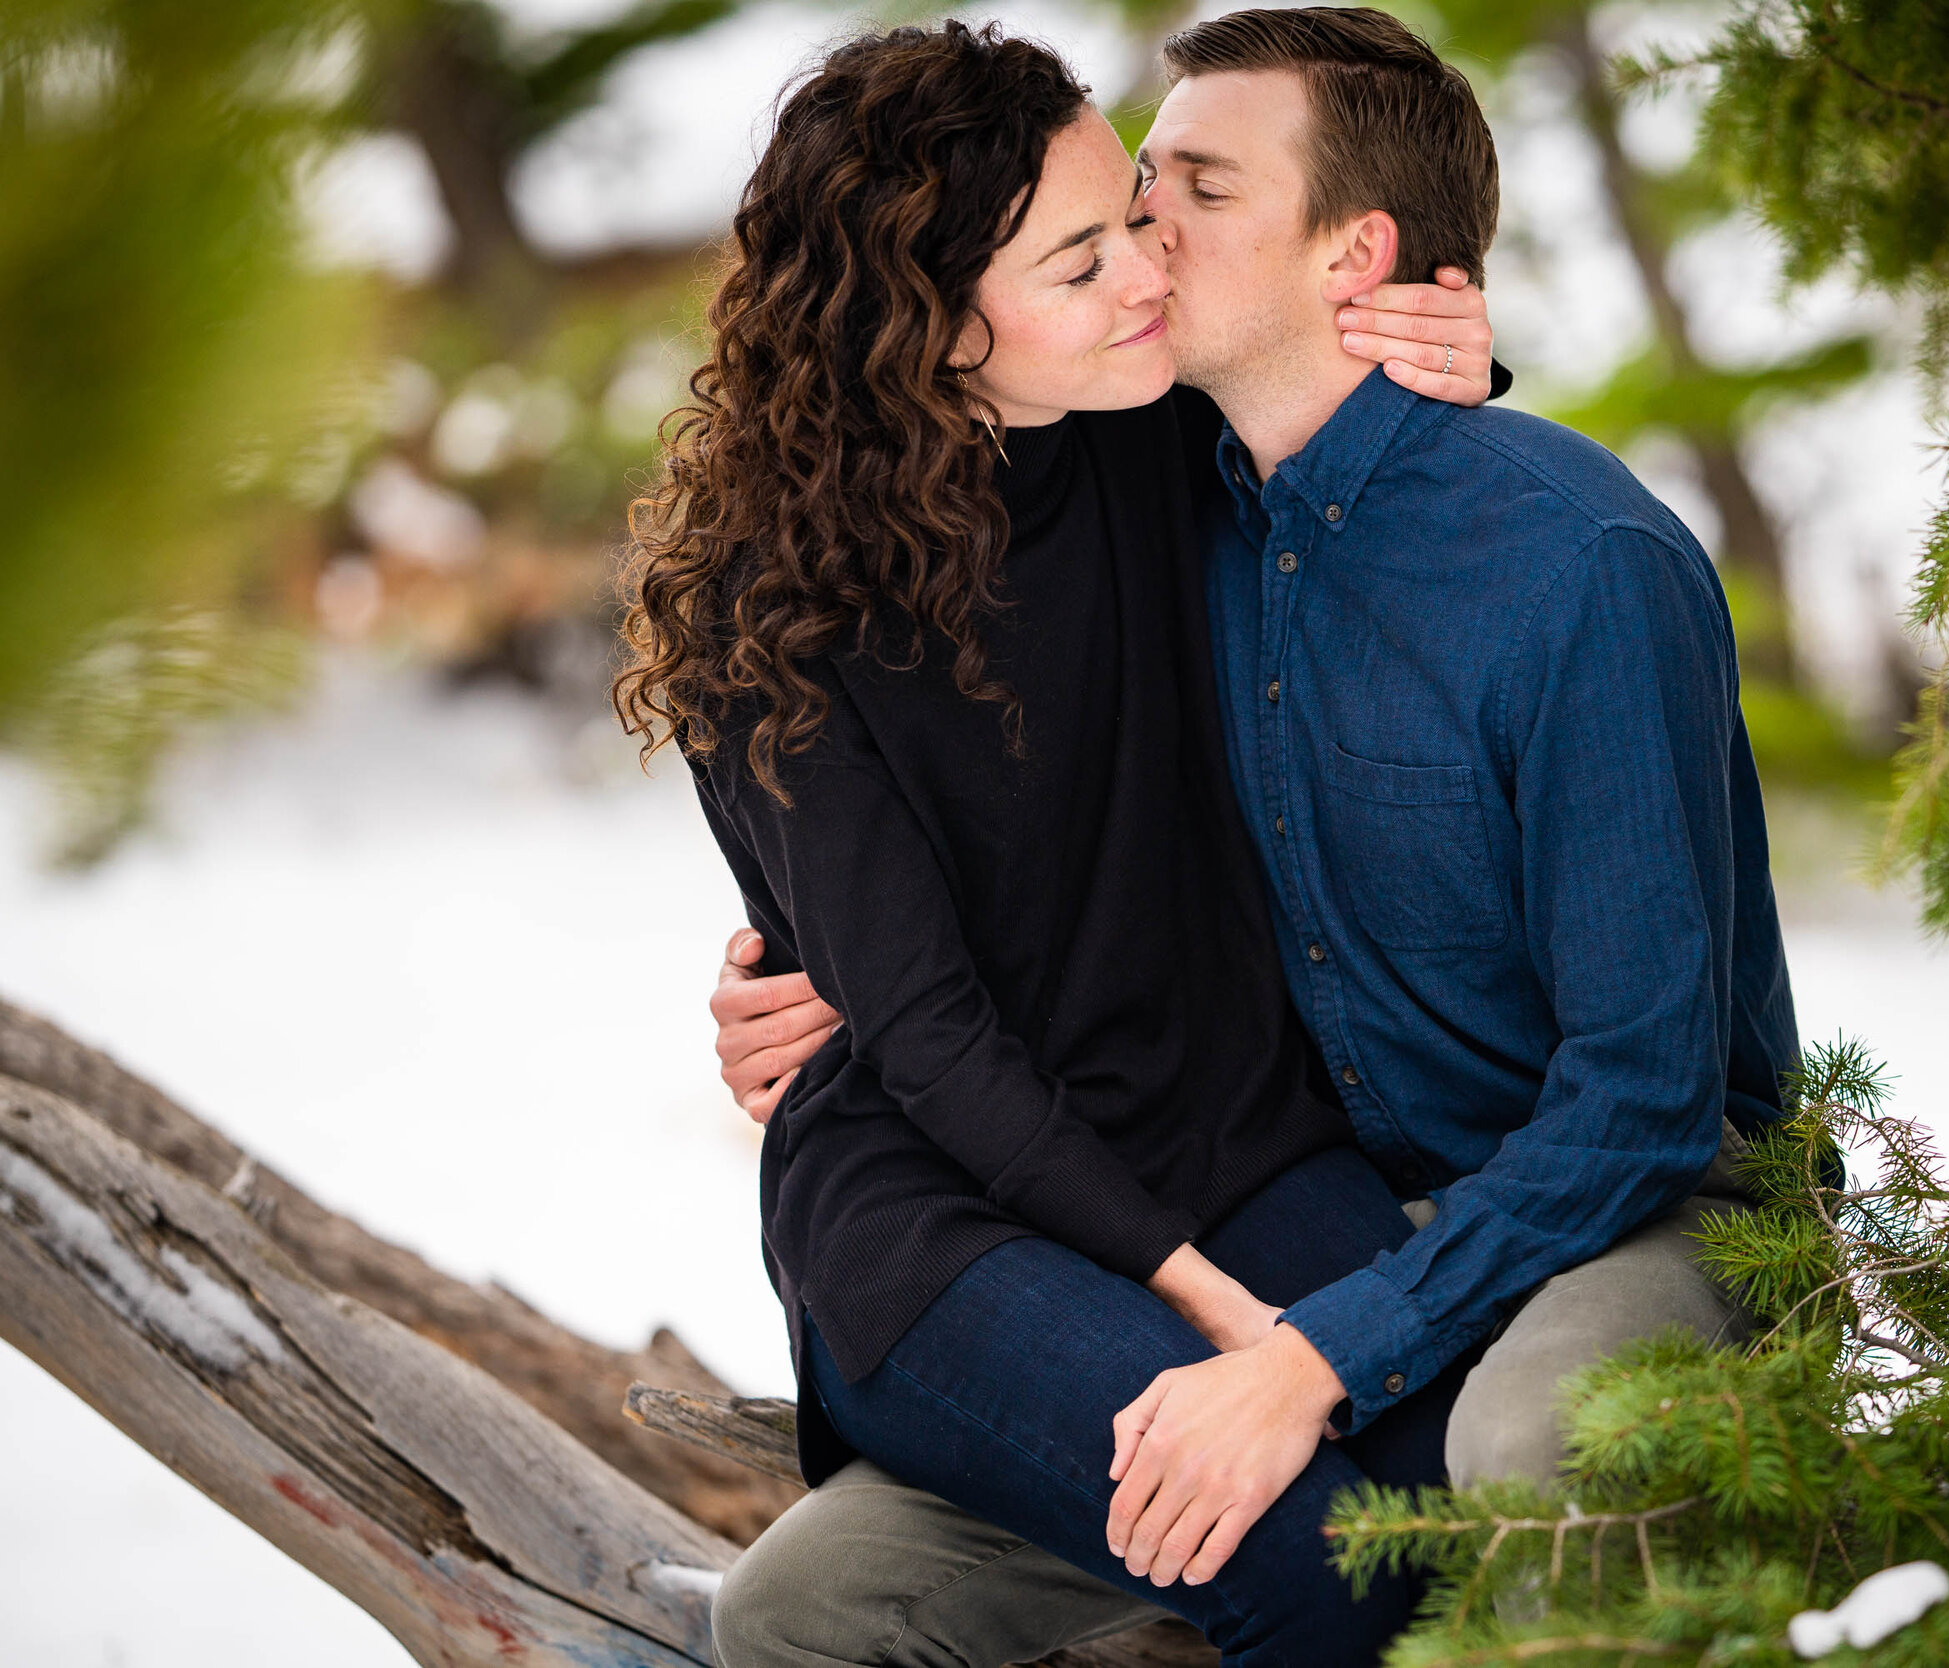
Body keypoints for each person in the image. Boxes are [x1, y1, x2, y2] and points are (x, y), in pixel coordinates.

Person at [707, 7, 1801, 1665]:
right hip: (1087, 1205)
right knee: (831, 1602)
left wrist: (1304, 1356)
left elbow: (1646, 1095)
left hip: (1434, 1184)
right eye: (1109, 224)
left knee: (1449, 1489)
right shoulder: (1072, 496)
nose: (1143, 248)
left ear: (1350, 252)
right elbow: (932, 953)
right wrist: (815, 961)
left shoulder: (1479, 545)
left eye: (1181, 198)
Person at [611, 20, 1509, 1668]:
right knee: (1315, 1565)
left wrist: (1441, 349)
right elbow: (932, 1041)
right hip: (941, 1217)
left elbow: (1371, 457)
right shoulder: (776, 609)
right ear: (934, 324)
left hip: (1233, 1135)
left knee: (1477, 1491)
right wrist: (1206, 1304)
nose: (1147, 276)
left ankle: (1044, 1531)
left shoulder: (1145, 418)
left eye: (1141, 223)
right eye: (1083, 257)